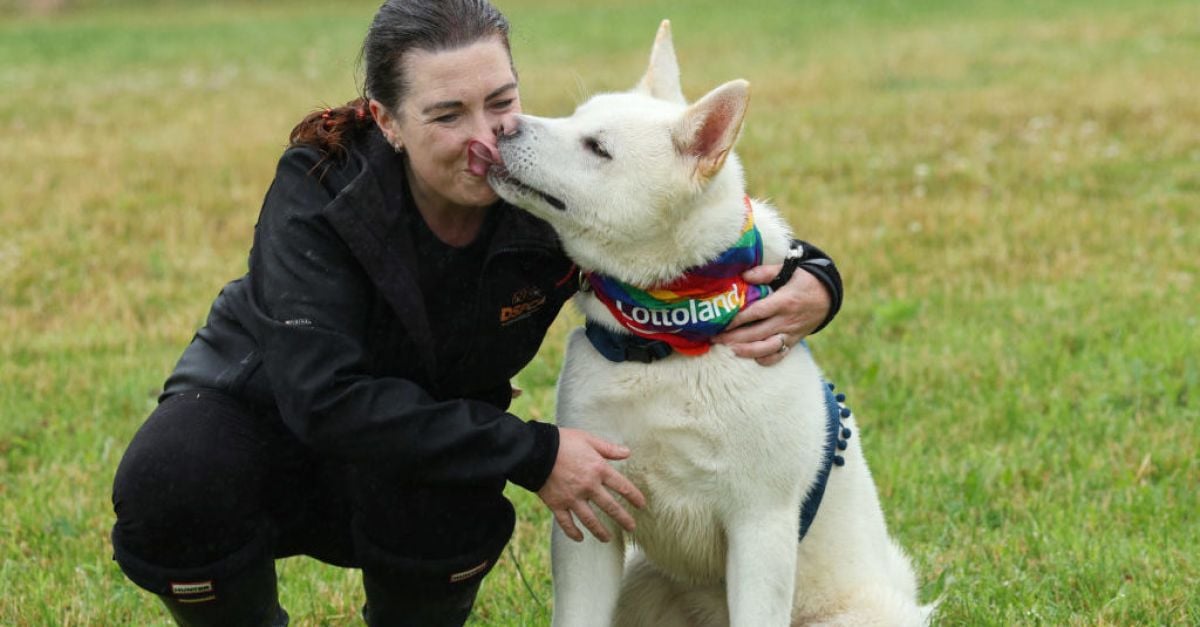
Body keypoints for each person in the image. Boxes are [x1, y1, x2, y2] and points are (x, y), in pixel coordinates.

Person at [109, 1, 844, 625]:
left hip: (420, 459)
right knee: (175, 477)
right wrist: (535, 452)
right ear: (386, 121)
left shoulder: (541, 203)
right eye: (446, 113)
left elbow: (675, 229)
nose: (489, 136)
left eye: (501, 102)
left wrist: (817, 277)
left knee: (451, 490)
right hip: (264, 429)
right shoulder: (319, 192)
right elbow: (323, 397)